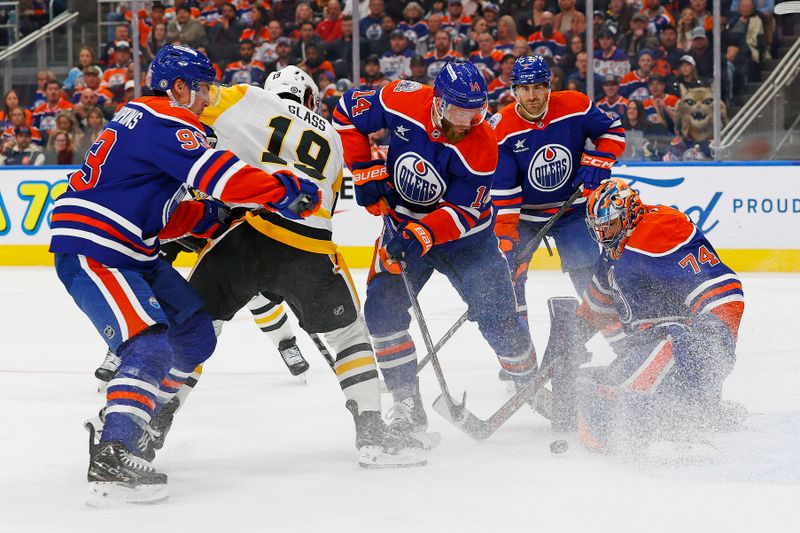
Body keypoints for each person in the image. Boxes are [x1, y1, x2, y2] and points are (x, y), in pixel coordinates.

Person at [49, 45, 321, 506]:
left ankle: (137, 418)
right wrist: (285, 186)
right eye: (203, 88)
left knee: (195, 334)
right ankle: (115, 449)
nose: (208, 98)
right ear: (178, 87)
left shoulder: (145, 120)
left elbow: (163, 212)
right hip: (96, 247)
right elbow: (226, 178)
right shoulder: (166, 119)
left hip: (134, 246)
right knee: (150, 342)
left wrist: (211, 220)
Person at [160, 66, 424, 467]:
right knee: (349, 337)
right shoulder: (333, 136)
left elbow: (194, 114)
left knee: (193, 331)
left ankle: (148, 425)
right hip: (307, 244)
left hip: (245, 238)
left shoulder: (251, 100)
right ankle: (372, 435)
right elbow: (326, 207)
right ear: (310, 98)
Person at [333, 61, 536, 439]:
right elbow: (347, 112)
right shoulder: (401, 100)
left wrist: (419, 235)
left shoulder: (482, 145)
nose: (467, 121)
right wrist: (363, 169)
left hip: (467, 240)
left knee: (498, 316)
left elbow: (463, 211)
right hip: (402, 226)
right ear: (439, 102)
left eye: (477, 112)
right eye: (460, 111)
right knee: (382, 310)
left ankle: (530, 380)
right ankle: (406, 401)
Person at [551, 178, 744, 454]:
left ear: (629, 214)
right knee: (596, 380)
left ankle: (672, 424)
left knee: (668, 346)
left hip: (701, 343)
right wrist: (572, 340)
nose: (604, 234)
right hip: (666, 341)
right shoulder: (616, 251)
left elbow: (723, 288)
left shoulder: (661, 230)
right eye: (599, 228)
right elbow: (597, 305)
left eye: (610, 225)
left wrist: (713, 332)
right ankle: (696, 410)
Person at [490, 55, 625, 322]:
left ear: (549, 86)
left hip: (571, 209)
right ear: (514, 90)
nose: (532, 95)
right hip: (524, 215)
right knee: (510, 282)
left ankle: (621, 343)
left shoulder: (575, 105)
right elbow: (504, 192)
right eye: (525, 88)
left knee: (590, 277)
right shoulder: (500, 127)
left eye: (539, 87)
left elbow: (613, 129)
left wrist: (600, 159)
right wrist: (505, 238)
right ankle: (519, 357)